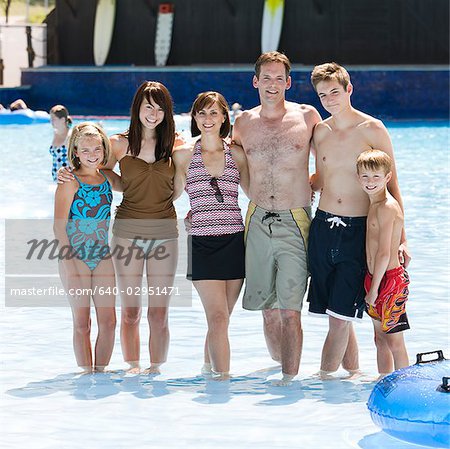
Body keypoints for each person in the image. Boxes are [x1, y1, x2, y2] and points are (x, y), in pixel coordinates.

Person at [58, 81, 179, 374]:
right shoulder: (118, 143)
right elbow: (92, 165)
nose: (154, 113)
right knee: (131, 312)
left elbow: (193, 171)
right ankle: (131, 369)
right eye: (148, 105)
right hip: (127, 233)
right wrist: (67, 172)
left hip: (165, 232)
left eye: (160, 107)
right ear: (137, 107)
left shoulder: (175, 143)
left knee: (159, 313)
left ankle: (156, 372)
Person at [307, 62, 411, 379]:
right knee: (334, 312)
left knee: (341, 315)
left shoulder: (372, 129)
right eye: (322, 95)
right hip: (323, 226)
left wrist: (402, 238)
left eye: (334, 92)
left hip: (358, 228)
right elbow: (321, 177)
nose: (329, 99)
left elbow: (392, 184)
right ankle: (352, 372)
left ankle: (322, 380)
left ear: (349, 89)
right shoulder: (320, 132)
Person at [232, 52, 322, 384]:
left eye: (278, 78)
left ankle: (290, 381)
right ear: (255, 81)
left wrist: (316, 182)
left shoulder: (307, 117)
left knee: (290, 310)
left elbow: (331, 157)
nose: (272, 84)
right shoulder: (243, 123)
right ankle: (279, 368)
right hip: (256, 218)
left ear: (288, 82)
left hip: (295, 218)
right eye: (265, 78)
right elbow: (223, 162)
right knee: (267, 311)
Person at [173, 92, 249, 379]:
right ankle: (222, 381)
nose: (208, 119)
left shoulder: (237, 153)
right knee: (217, 318)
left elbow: (254, 192)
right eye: (202, 113)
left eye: (214, 113)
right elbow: (172, 193)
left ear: (224, 117)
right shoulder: (183, 154)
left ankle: (207, 370)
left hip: (234, 242)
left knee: (222, 320)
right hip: (203, 243)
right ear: (194, 118)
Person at [54, 122, 122, 373]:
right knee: (82, 324)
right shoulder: (69, 181)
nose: (92, 155)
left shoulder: (107, 177)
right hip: (75, 256)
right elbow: (59, 228)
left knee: (109, 322)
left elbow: (134, 185)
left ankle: (100, 375)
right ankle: (85, 376)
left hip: (102, 255)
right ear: (75, 152)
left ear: (104, 149)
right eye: (86, 150)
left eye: (97, 149)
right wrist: (69, 264)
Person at [356, 149, 410, 377]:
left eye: (376, 177)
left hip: (389, 281)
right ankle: (384, 380)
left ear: (387, 178)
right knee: (379, 339)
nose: (370, 182)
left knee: (394, 340)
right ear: (358, 177)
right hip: (374, 278)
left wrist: (374, 289)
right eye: (365, 177)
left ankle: (405, 385)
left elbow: (384, 253)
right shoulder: (374, 203)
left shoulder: (387, 207)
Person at [49, 105, 72, 182]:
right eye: (51, 119)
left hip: (68, 178)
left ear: (62, 120)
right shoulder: (55, 133)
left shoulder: (70, 135)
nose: (51, 122)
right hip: (57, 178)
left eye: (53, 119)